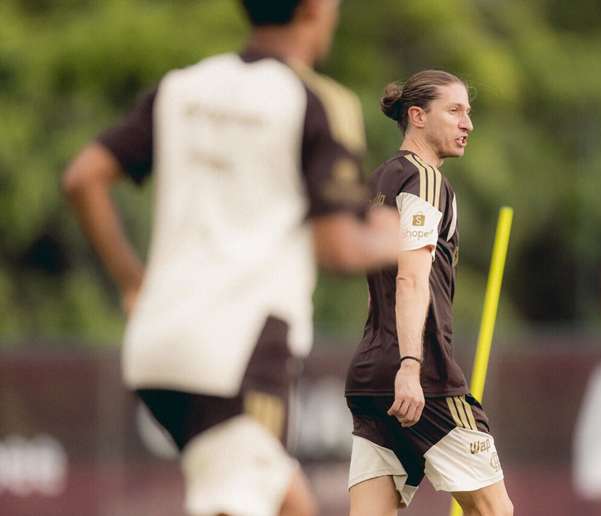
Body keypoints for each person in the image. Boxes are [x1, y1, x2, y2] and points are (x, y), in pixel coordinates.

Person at [62, 1, 401, 515]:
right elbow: (338, 246)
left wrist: (133, 282)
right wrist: (408, 234)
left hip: (156, 347)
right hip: (241, 351)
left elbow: (83, 178)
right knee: (238, 501)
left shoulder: (182, 87)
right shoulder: (317, 100)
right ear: (314, 8)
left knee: (289, 501)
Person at [344, 70, 514, 516]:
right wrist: (410, 365)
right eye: (455, 111)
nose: (468, 124)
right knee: (495, 511)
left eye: (469, 113)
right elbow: (409, 278)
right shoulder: (426, 179)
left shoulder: (378, 180)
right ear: (417, 116)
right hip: (424, 377)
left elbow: (372, 288)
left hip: (369, 376)